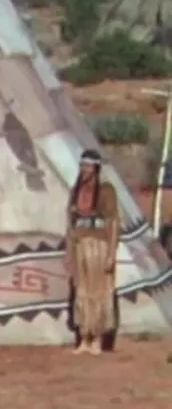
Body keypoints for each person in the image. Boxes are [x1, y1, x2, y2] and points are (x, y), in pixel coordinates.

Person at [66, 149, 120, 356]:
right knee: (82, 291)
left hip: (99, 244)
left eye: (88, 166)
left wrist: (111, 253)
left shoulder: (106, 191)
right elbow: (70, 223)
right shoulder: (76, 190)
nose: (84, 169)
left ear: (96, 167)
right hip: (80, 243)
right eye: (82, 165)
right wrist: (69, 252)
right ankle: (84, 337)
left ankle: (97, 337)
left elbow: (113, 222)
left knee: (99, 292)